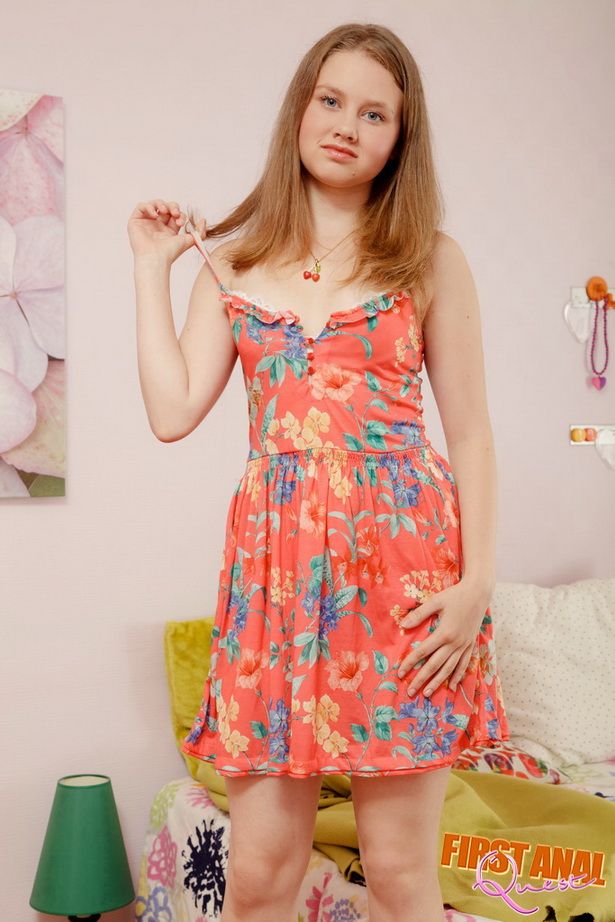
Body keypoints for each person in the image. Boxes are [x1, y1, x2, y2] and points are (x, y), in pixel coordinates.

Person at [128, 21, 510, 922]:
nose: (346, 124)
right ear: (300, 109)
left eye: (374, 113)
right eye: (330, 100)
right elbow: (172, 413)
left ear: (399, 138)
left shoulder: (429, 259)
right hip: (275, 586)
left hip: (405, 586)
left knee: (400, 873)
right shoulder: (232, 263)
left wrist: (476, 585)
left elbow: (472, 435)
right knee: (259, 874)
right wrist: (149, 271)